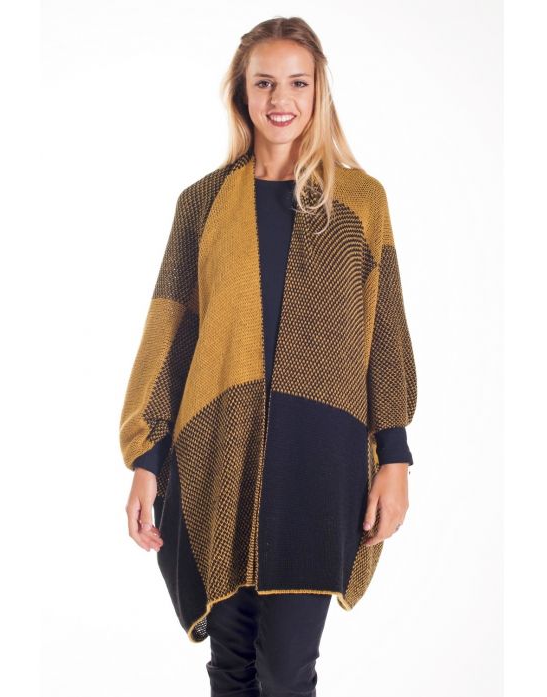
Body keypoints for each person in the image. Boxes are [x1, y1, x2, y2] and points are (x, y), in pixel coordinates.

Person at [120, 16, 417, 697]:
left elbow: (385, 331)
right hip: (219, 448)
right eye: (264, 83)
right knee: (233, 665)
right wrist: (146, 461)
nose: (280, 98)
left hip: (320, 454)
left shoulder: (361, 201)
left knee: (287, 668)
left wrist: (394, 455)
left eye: (297, 83)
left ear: (318, 92)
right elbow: (171, 333)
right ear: (241, 92)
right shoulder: (202, 203)